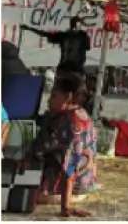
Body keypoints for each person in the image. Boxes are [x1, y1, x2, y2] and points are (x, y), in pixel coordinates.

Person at [29, 72, 96, 218]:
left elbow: (70, 164)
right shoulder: (82, 114)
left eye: (53, 96)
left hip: (65, 188)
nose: (48, 101)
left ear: (69, 97)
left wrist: (65, 207)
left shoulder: (68, 123)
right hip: (83, 184)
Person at [20, 16, 90, 74]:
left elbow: (45, 34)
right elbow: (87, 47)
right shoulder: (83, 36)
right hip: (77, 70)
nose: (82, 26)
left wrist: (29, 28)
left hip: (63, 69)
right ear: (78, 25)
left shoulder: (63, 36)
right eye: (81, 24)